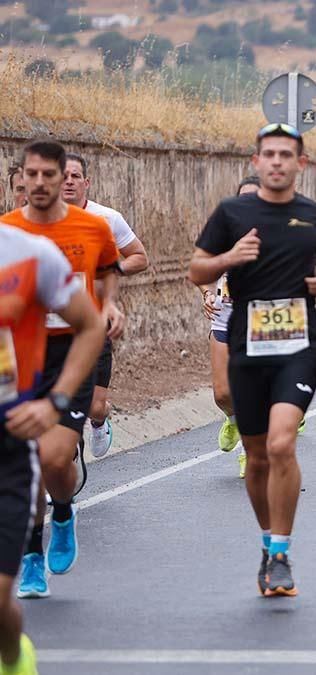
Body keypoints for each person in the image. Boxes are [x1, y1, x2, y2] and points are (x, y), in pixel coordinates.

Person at [189, 123, 316, 597]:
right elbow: (196, 268)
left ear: (301, 163)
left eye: (286, 154)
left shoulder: (313, 214)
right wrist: (230, 257)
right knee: (256, 458)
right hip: (248, 349)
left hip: (298, 347)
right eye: (268, 154)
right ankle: (266, 542)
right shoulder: (232, 213)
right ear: (256, 162)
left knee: (280, 446)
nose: (277, 161)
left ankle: (280, 551)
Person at [4, 140, 121, 599]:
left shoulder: (92, 227)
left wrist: (109, 304)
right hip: (19, 359)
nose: (37, 183)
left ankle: (65, 510)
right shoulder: (7, 232)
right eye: (28, 176)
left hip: (74, 351)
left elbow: (110, 267)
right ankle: (32, 553)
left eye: (47, 175)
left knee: (55, 459)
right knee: (30, 460)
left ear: (63, 178)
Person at [1, 223, 106, 673]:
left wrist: (57, 400)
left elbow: (90, 323)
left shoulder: (27, 252)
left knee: (55, 458)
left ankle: (12, 655)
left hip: (10, 433)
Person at [60, 153, 151, 458]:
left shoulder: (106, 219)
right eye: (63, 176)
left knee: (94, 405)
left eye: (75, 176)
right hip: (54, 328)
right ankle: (65, 473)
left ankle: (99, 421)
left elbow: (139, 256)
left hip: (95, 323)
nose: (69, 182)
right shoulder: (40, 220)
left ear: (86, 182)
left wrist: (108, 272)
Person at [197, 176, 260, 479]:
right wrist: (208, 293)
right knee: (222, 393)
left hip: (261, 321)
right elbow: (203, 270)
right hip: (225, 316)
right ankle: (233, 418)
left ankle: (250, 451)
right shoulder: (224, 233)